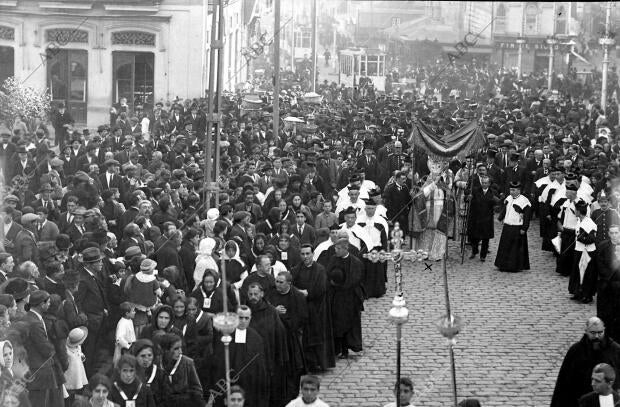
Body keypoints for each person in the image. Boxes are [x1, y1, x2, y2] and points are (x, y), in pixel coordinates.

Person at [551, 317, 620, 407]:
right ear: (586, 331)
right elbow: (564, 383)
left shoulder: (615, 350)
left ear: (604, 330)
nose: (596, 336)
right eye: (593, 333)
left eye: (600, 332)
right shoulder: (576, 351)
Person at [211, 306, 268, 407]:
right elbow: (219, 362)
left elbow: (260, 366)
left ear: (250, 318)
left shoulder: (256, 338)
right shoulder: (225, 335)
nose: (243, 321)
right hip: (227, 383)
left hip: (249, 385)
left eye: (246, 318)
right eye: (240, 318)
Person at [266, 271, 308, 403]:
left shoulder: (297, 297)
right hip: (274, 339)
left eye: (280, 282)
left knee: (292, 369)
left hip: (290, 339)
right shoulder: (271, 293)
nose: (277, 284)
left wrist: (283, 317)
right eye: (276, 281)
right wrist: (274, 310)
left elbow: (302, 318)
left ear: (289, 283)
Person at [291, 244, 335, 372]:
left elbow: (321, 288)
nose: (305, 257)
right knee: (304, 338)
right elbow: (291, 285)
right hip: (302, 308)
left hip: (317, 308)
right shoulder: (296, 270)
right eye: (303, 254)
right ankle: (306, 364)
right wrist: (299, 292)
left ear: (312, 254)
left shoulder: (320, 269)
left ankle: (319, 363)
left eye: (307, 254)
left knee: (317, 336)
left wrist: (308, 293)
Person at [23, 290, 64, 407]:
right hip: (38, 372)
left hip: (34, 370)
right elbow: (45, 349)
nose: (50, 305)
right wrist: (54, 350)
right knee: (39, 403)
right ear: (42, 304)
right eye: (48, 302)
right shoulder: (35, 323)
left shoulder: (30, 317)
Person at [326, 238, 364, 359]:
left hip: (350, 298)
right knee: (337, 323)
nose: (335, 251)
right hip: (336, 297)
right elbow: (328, 273)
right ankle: (337, 349)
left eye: (338, 249)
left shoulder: (355, 262)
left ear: (345, 248)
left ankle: (346, 349)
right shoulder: (333, 259)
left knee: (348, 324)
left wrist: (342, 285)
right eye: (335, 248)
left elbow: (355, 279)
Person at [494, 181, 531, 272]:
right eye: (510, 190)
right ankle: (503, 265)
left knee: (515, 248)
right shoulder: (509, 198)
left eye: (514, 190)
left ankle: (514, 266)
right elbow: (505, 210)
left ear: (519, 190)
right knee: (505, 246)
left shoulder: (524, 201)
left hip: (517, 227)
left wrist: (524, 228)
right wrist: (500, 218)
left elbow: (527, 217)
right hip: (507, 225)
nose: (511, 192)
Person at [158, 333, 204, 407]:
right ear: (165, 350)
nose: (180, 352)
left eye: (181, 348)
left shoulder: (187, 363)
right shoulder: (157, 363)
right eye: (176, 349)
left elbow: (197, 391)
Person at [596, 224, 620, 340]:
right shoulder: (603, 246)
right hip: (606, 285)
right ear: (609, 234)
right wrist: (608, 277)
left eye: (616, 233)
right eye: (612, 233)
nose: (614, 235)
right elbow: (600, 264)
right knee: (605, 312)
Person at [467, 176, 498, 262]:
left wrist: (495, 203)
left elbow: (497, 203)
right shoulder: (475, 191)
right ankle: (474, 251)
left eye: (486, 183)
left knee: (485, 238)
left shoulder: (492, 192)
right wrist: (468, 198)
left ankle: (483, 255)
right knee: (474, 237)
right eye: (483, 183)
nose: (484, 184)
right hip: (476, 218)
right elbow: (468, 200)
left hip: (487, 218)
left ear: (489, 183)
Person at [130, 339, 167, 406]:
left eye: (149, 355)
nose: (146, 360)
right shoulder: (130, 374)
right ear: (135, 356)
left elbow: (166, 398)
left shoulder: (160, 374)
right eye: (143, 356)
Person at [64, 326, 89, 404]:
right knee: (69, 392)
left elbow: (79, 353)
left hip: (78, 372)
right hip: (70, 374)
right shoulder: (66, 350)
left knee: (75, 391)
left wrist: (81, 356)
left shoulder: (78, 346)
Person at [114, 302, 137, 366]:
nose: (135, 312)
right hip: (124, 350)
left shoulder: (129, 320)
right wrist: (128, 346)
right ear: (127, 313)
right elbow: (119, 338)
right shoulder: (122, 323)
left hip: (130, 347)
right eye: (133, 311)